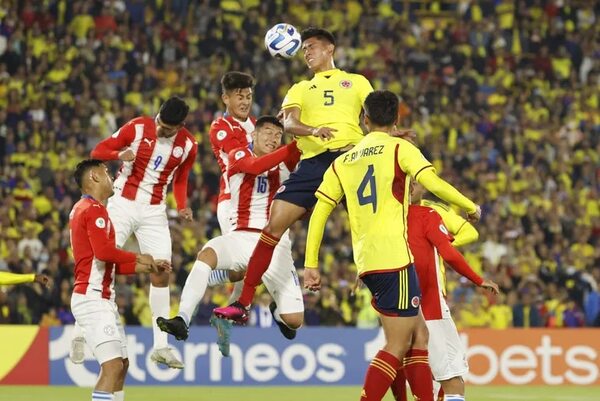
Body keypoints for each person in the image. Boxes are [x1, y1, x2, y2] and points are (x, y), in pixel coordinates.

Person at [303, 90, 481, 401]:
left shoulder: (342, 161)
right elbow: (435, 184)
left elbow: (320, 211)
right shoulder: (401, 148)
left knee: (417, 335)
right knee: (398, 345)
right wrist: (469, 205)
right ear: (396, 119)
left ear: (365, 119)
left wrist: (311, 263)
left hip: (366, 261)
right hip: (395, 259)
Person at [214, 27, 374, 323]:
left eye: (312, 47)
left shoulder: (357, 82)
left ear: (330, 49)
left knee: (369, 219)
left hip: (351, 157)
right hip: (313, 162)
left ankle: (377, 277)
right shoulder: (300, 88)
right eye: (303, 50)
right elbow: (288, 122)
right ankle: (244, 302)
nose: (307, 53)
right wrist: (314, 130)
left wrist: (390, 134)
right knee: (273, 226)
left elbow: (374, 115)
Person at [156, 116, 303, 355]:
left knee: (294, 320)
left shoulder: (285, 162)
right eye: (266, 132)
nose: (273, 138)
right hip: (241, 237)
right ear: (252, 135)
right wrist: (293, 146)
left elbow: (299, 148)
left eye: (278, 135)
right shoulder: (238, 156)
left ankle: (277, 311)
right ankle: (182, 319)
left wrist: (302, 136)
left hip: (276, 245)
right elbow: (256, 167)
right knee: (207, 255)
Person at [69, 96, 197, 369]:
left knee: (162, 271)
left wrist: (183, 205)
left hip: (154, 212)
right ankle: (80, 331)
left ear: (181, 126)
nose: (160, 129)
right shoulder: (138, 127)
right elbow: (99, 150)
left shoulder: (188, 145)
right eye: (160, 122)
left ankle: (161, 347)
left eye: (168, 128)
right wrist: (119, 155)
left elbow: (182, 178)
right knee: (100, 260)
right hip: (123, 205)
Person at [69, 159, 170, 401]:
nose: (111, 176)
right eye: (106, 172)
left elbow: (105, 264)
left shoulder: (86, 208)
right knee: (113, 366)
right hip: (92, 297)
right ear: (94, 177)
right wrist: (139, 255)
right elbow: (104, 253)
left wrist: (145, 267)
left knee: (122, 365)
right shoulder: (92, 210)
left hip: (101, 296)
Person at [402, 182, 499, 401]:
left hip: (398, 309)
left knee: (421, 378)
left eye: (414, 181)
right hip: (430, 305)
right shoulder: (427, 214)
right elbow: (449, 253)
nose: (411, 185)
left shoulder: (384, 219)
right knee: (452, 377)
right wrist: (478, 279)